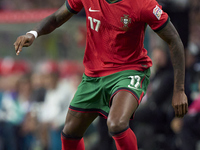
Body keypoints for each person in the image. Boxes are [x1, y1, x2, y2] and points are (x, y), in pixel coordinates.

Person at [14, 0, 188, 149]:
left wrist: (179, 90)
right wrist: (33, 33)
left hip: (129, 71)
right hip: (93, 76)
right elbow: (57, 18)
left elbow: (174, 40)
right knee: (69, 133)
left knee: (116, 124)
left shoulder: (143, 4)